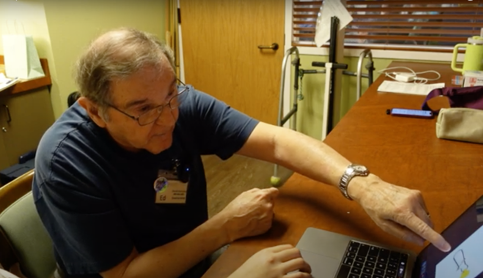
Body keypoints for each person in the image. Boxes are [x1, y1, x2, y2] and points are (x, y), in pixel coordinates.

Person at [32, 27, 450, 278]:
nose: (168, 119)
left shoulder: (175, 102)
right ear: (95, 111)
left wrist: (363, 185)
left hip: (197, 258)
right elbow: (125, 274)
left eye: (170, 95)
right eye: (143, 110)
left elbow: (277, 141)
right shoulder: (67, 161)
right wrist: (225, 229)